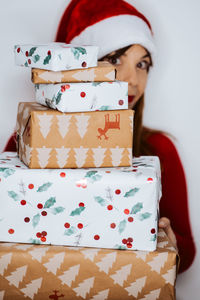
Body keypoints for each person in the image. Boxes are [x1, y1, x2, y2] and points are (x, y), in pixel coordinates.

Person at [4, 0, 195, 273]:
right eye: (115, 60)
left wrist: (170, 242)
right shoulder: (27, 139)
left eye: (143, 64)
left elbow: (187, 255)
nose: (132, 79)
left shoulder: (158, 150)